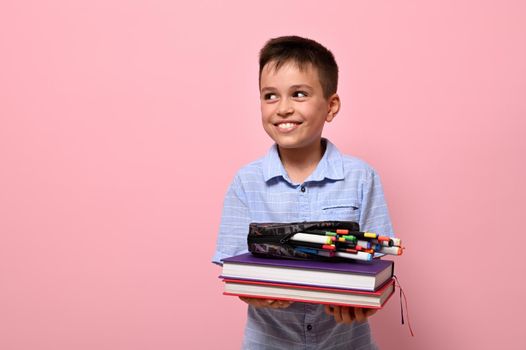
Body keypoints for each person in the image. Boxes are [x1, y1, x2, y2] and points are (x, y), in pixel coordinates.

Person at [212, 35, 394, 350]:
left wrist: (364, 300)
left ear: (331, 106)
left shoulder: (361, 177)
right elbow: (233, 266)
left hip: (346, 343)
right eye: (270, 96)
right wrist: (252, 290)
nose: (283, 108)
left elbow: (378, 262)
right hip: (268, 342)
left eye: (299, 94)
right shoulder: (246, 181)